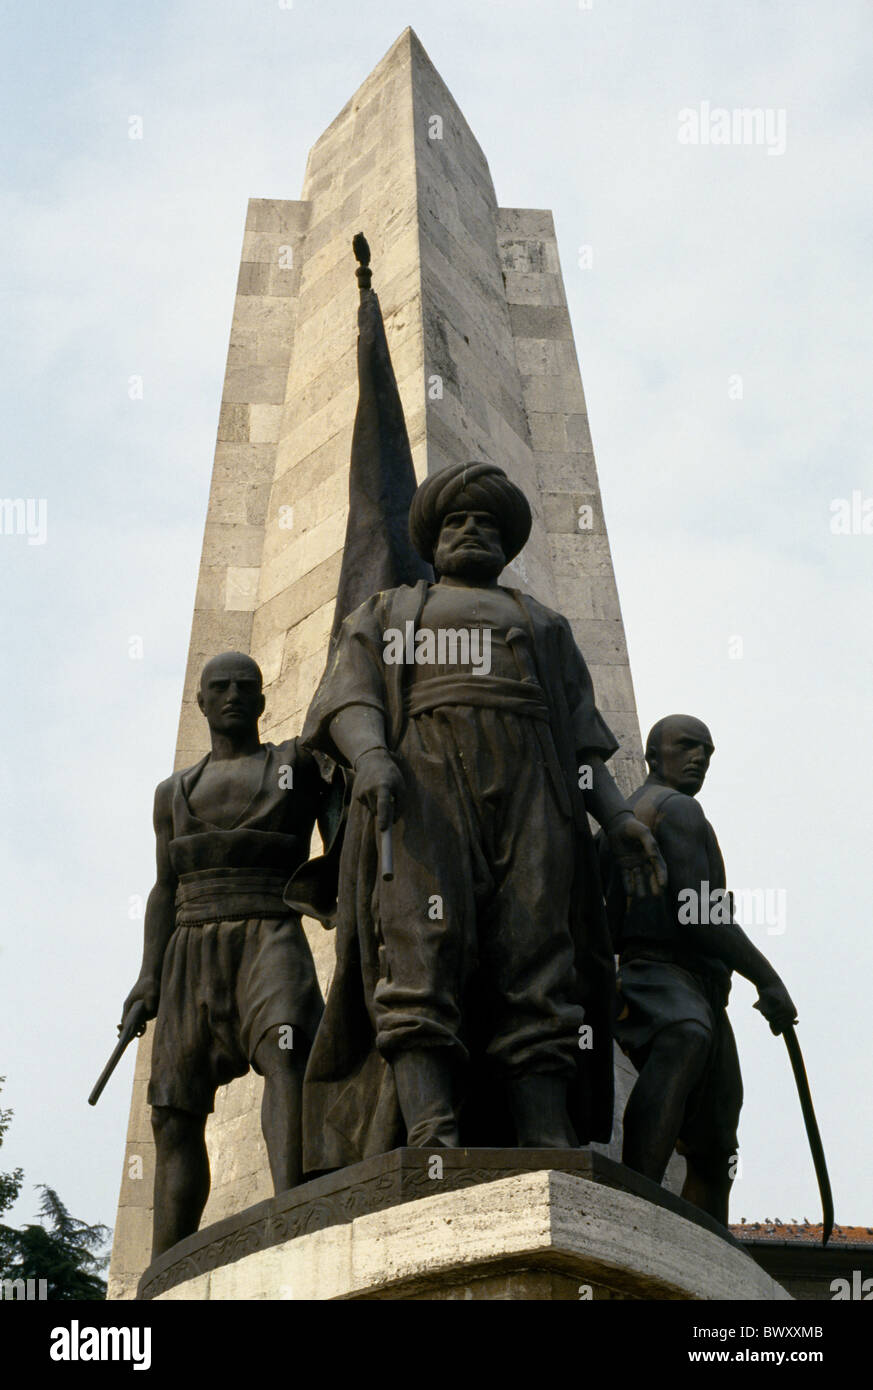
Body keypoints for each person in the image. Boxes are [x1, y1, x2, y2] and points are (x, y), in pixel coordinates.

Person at [295, 461, 665, 1170]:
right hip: (421, 794)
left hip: (534, 798)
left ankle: (544, 1134)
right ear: (432, 542)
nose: (471, 533)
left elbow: (583, 738)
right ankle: (431, 1129)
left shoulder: (542, 624)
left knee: (537, 954)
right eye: (457, 523)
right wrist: (371, 756)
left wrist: (615, 817)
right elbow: (349, 698)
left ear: (507, 548)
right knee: (418, 951)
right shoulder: (389, 612)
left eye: (487, 527)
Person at [121, 652, 328, 1257]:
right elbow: (164, 888)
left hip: (271, 929)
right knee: (173, 1110)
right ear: (202, 703)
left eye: (247, 686)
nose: (234, 695)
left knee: (287, 1053)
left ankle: (294, 1211)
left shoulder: (295, 766)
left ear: (264, 700)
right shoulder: (172, 793)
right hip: (192, 944)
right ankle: (164, 1264)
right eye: (221, 687)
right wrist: (146, 981)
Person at [602, 713, 797, 1225]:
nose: (699, 758)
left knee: (715, 1140)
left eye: (707, 752)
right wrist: (768, 977)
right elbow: (699, 913)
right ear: (652, 754)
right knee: (684, 1036)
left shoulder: (622, 815)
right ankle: (638, 1197)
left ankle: (706, 1243)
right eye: (688, 746)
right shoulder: (677, 810)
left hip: (691, 982)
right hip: (663, 974)